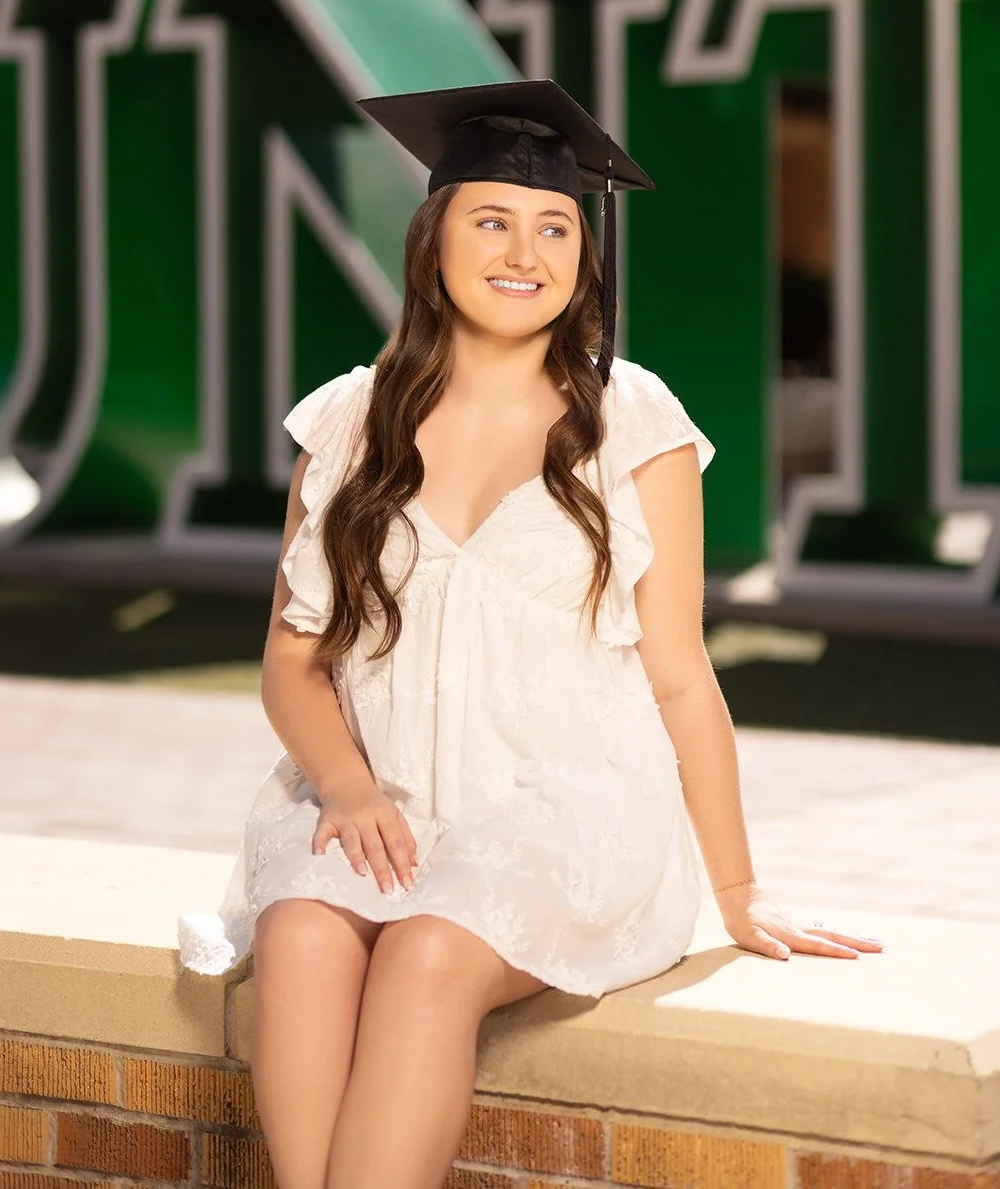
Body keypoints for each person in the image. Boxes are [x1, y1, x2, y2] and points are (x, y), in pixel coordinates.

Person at [178, 79, 883, 1189]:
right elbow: (292, 658)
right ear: (436, 243)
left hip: (564, 811)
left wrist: (740, 891)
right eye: (491, 220)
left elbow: (682, 675)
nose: (526, 249)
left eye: (555, 224)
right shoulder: (350, 422)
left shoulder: (630, 419)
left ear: (584, 256)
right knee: (305, 937)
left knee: (424, 951)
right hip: (381, 800)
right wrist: (348, 786)